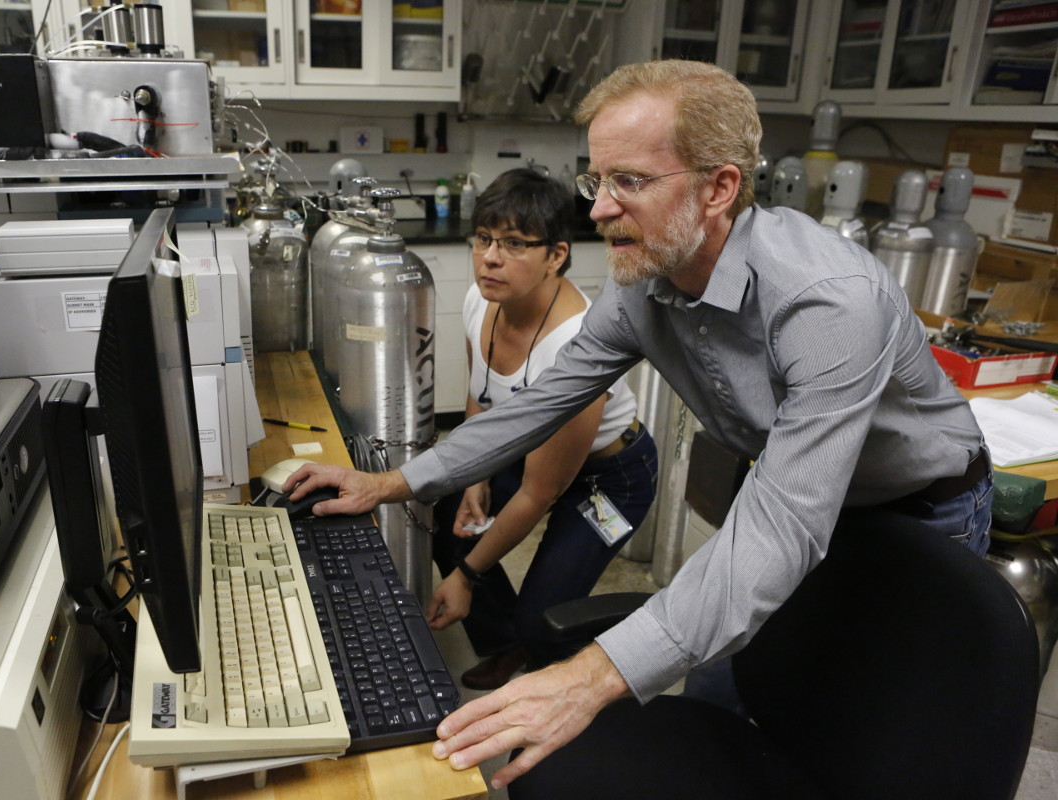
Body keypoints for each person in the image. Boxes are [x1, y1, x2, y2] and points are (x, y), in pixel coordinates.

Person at [284, 60, 990, 790]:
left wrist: (594, 676)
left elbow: (786, 529)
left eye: (629, 181)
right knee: (720, 687)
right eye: (597, 181)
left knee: (864, 723)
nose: (596, 210)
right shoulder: (645, 284)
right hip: (791, 492)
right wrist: (395, 482)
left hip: (918, 510)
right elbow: (537, 404)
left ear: (718, 188)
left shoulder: (827, 302)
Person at [426, 167, 658, 691]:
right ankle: (507, 645)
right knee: (446, 512)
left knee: (546, 616)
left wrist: (464, 577)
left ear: (556, 255)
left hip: (610, 477)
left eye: (513, 244)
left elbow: (537, 493)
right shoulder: (480, 299)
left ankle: (565, 667)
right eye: (484, 239)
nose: (489, 257)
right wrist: (474, 479)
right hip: (529, 449)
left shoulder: (575, 344)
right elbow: (480, 397)